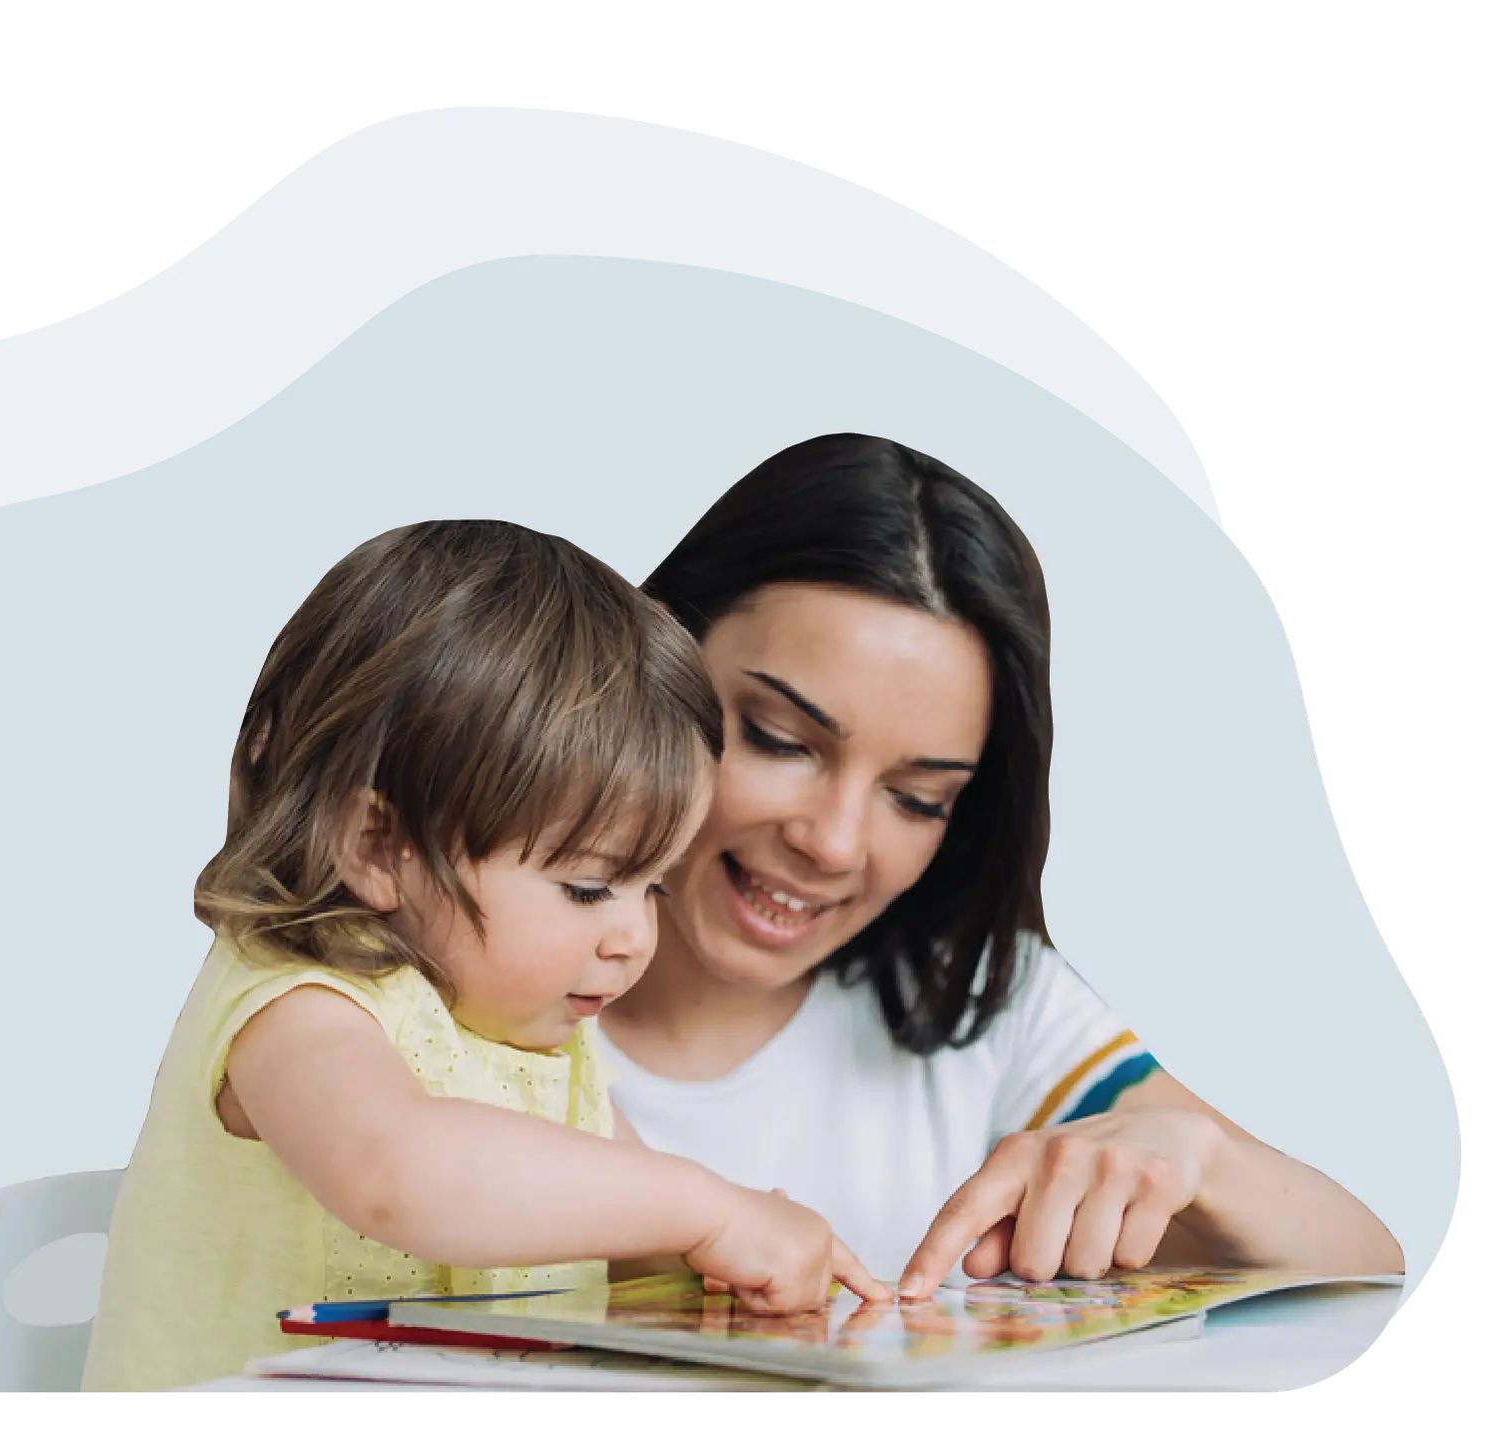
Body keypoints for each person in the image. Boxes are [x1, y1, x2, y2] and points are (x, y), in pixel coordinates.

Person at [80, 519, 890, 1393]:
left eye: (651, 887)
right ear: (377, 844)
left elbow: (640, 1236)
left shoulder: (542, 1047)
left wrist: (751, 1268)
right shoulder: (296, 1005)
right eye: (588, 887)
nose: (635, 938)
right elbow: (399, 1172)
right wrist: (705, 1205)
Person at [596, 434, 1404, 1302]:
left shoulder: (976, 997)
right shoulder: (459, 953)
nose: (833, 843)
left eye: (917, 798)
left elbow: (1363, 1266)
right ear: (659, 660)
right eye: (780, 740)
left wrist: (1203, 1158)